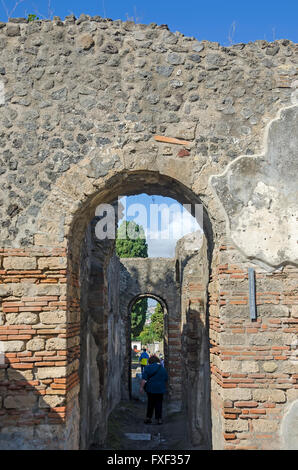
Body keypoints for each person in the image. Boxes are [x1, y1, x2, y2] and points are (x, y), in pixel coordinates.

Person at [139, 355, 168, 425]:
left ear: (150, 361)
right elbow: (166, 379)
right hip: (160, 389)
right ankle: (159, 419)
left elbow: (144, 379)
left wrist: (141, 388)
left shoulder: (147, 368)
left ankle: (148, 418)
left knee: (150, 403)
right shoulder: (162, 368)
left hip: (150, 389)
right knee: (159, 403)